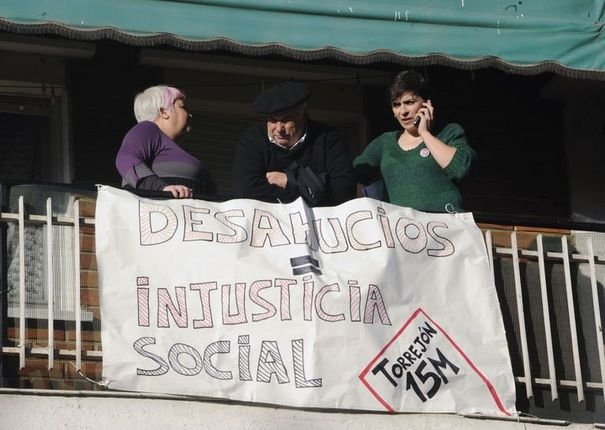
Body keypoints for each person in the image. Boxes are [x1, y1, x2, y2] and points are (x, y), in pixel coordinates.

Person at [353, 70, 477, 212]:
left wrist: (424, 133)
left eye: (409, 102)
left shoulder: (449, 132)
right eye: (396, 105)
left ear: (426, 103)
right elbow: (355, 174)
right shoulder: (384, 142)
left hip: (444, 223)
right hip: (400, 224)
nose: (403, 111)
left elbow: (460, 169)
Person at [231, 82, 355, 207]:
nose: (279, 128)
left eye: (286, 120)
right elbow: (244, 191)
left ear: (304, 116)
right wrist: (311, 188)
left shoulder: (328, 139)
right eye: (273, 120)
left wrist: (289, 180)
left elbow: (343, 191)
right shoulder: (252, 140)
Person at [115, 85, 215, 199]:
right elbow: (125, 159)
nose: (189, 114)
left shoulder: (172, 147)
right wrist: (160, 188)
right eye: (182, 107)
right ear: (164, 112)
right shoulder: (147, 129)